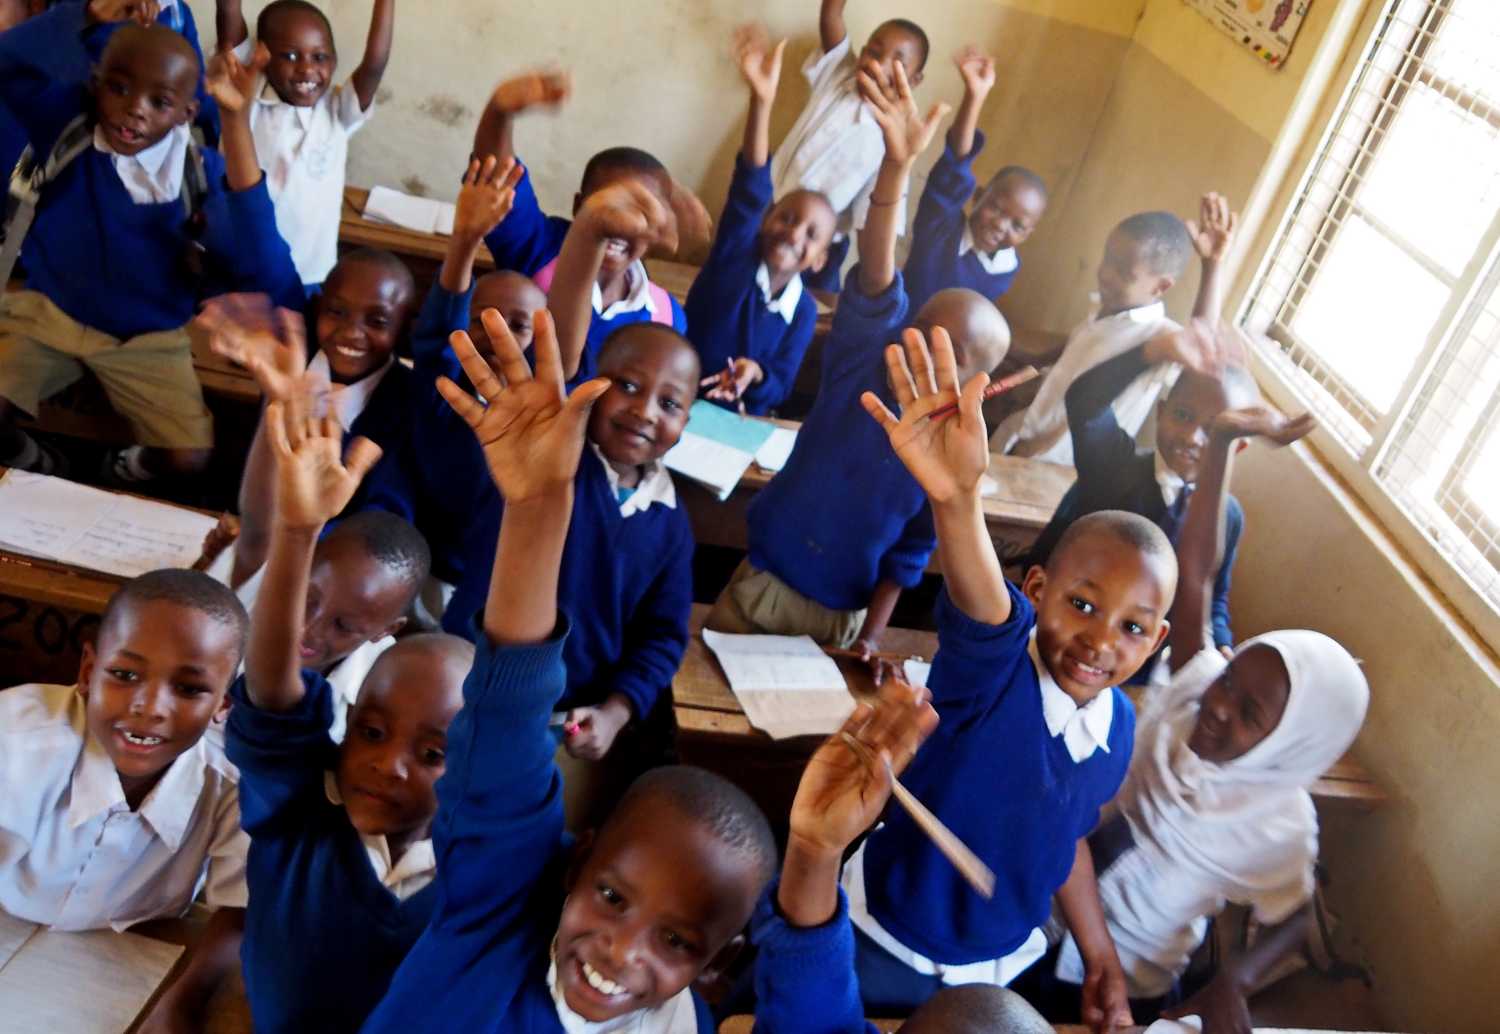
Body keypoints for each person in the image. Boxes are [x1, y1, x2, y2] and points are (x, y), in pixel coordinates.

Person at [360, 306, 775, 1033]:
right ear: (590, 384)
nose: (644, 412)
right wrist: (538, 502)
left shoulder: (669, 523)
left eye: (670, 402)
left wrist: (617, 709)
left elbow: (661, 636)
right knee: (458, 838)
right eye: (626, 386)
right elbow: (504, 661)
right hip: (490, 699)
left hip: (578, 723)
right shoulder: (543, 463)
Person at [850, 327, 1177, 1026]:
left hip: (997, 966)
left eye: (1132, 627)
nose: (1100, 640)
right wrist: (957, 499)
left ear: (1157, 642)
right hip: (884, 939)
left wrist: (1098, 952)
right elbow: (983, 606)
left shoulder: (1116, 728)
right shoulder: (996, 671)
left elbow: (1066, 837)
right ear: (1036, 591)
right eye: (1081, 605)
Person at [1040, 395, 1363, 1034]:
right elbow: (1195, 577)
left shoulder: (1279, 825)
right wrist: (1219, 446)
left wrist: (1233, 982)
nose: (1216, 705)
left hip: (1127, 975)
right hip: (1045, 896)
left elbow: (1295, 916)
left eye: (1248, 712)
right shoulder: (1196, 685)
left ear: (1289, 745)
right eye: (1230, 679)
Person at [709, 61, 1000, 672]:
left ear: (976, 385)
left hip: (842, 618)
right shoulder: (863, 362)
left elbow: (909, 556)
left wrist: (871, 636)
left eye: (948, 352)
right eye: (920, 330)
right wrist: (897, 166)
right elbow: (877, 271)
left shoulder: (949, 457)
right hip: (762, 584)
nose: (922, 350)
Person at [225, 392, 473, 1034]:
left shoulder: (481, 871)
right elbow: (273, 700)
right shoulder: (300, 815)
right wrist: (297, 533)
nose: (388, 765)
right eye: (371, 732)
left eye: (433, 753)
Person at [0, 21, 294, 483]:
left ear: (186, 113)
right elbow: (9, 61)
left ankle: (119, 470)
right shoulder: (67, 133)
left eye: (159, 102)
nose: (135, 109)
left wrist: (235, 121)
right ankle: (33, 460)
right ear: (95, 85)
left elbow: (261, 260)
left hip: (148, 337)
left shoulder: (198, 170)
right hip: (51, 314)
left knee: (188, 457)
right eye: (119, 88)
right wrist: (86, 16)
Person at [0, 569, 250, 1032]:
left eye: (189, 689)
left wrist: (183, 1001)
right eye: (124, 675)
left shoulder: (234, 782)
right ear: (88, 672)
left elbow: (239, 908)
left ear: (223, 704)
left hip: (132, 952)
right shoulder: (17, 743)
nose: (149, 706)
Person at [1026, 321, 1259, 657]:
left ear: (1237, 449)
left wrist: (1221, 643)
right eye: (1183, 415)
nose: (1192, 437)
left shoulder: (1227, 516)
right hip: (1053, 628)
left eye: (1213, 431)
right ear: (1161, 412)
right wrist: (1153, 351)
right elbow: (1085, 400)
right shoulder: (1112, 464)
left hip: (1131, 655)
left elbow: (1215, 595)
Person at [194, 250, 419, 587]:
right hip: (257, 545)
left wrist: (292, 534)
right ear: (318, 308)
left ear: (403, 330)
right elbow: (256, 496)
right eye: (337, 312)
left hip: (339, 573)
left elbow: (383, 522)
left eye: (377, 321)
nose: (351, 332)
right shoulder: (290, 366)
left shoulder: (406, 402)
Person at [471, 68, 706, 369]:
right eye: (609, 204)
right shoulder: (541, 246)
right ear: (579, 206)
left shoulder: (666, 316)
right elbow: (499, 179)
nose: (620, 224)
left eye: (640, 211)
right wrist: (499, 112)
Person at [994, 194, 1237, 466]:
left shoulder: (1159, 337)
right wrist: (1030, 360)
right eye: (1108, 259)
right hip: (1017, 440)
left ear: (1160, 287)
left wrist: (1212, 265)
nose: (1107, 274)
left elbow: (1200, 344)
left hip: (1058, 469)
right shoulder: (1105, 309)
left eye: (1124, 272)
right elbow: (1078, 350)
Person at [688, 24, 836, 416]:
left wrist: (754, 374)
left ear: (821, 259)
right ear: (765, 221)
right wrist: (761, 101)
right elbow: (750, 188)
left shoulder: (803, 312)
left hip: (737, 423)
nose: (793, 233)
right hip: (680, 403)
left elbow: (781, 384)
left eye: (811, 234)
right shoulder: (734, 259)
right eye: (785, 217)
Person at [217, 0, 395, 285]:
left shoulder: (339, 112)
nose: (307, 68)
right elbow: (228, 13)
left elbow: (375, 63)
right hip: (238, 268)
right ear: (261, 56)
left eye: (320, 57)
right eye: (289, 56)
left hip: (308, 275)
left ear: (334, 61)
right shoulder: (245, 97)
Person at [772, 0, 930, 291]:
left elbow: (872, 225)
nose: (878, 64)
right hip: (768, 212)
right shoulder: (839, 74)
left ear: (915, 80)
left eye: (897, 64)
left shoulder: (893, 144)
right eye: (874, 52)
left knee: (801, 305)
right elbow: (831, 14)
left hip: (814, 246)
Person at [902, 45, 1047, 313]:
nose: (1001, 225)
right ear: (978, 197)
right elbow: (955, 164)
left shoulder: (1006, 269)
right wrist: (975, 96)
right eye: (997, 208)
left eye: (1018, 225)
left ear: (1028, 234)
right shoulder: (940, 225)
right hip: (897, 331)